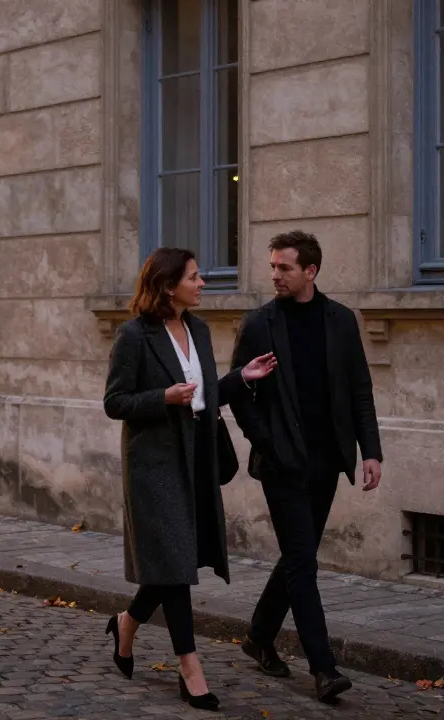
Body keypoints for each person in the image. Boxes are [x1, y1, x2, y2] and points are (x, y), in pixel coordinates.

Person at [102, 247, 278, 712]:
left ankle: (126, 624)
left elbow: (205, 393)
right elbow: (115, 402)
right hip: (154, 465)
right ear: (167, 286)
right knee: (177, 564)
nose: (203, 284)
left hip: (196, 455)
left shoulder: (198, 329)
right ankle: (190, 668)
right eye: (195, 278)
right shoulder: (133, 336)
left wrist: (242, 376)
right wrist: (163, 398)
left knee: (173, 559)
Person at [228, 230, 383, 703]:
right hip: (282, 463)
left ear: (310, 271)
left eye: (285, 268)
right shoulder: (259, 324)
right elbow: (237, 391)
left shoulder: (340, 321)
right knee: (303, 562)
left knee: (298, 558)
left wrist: (370, 451)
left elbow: (359, 388)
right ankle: (324, 667)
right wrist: (266, 441)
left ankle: (258, 635)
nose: (275, 275)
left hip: (327, 460)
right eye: (273, 266)